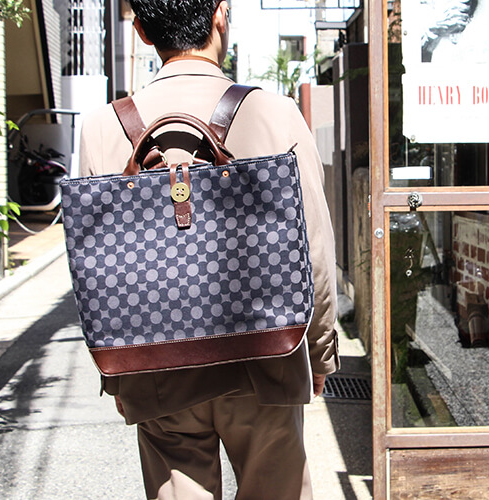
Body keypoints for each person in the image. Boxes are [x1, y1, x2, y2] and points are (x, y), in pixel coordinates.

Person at [79, 1, 339, 498]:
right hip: (266, 355)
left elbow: (95, 270)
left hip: (156, 366)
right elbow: (315, 250)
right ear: (220, 14)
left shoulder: (103, 126)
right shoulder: (274, 112)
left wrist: (116, 376)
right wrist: (320, 354)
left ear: (141, 30)